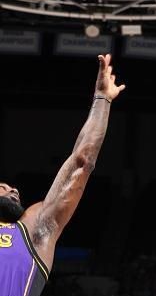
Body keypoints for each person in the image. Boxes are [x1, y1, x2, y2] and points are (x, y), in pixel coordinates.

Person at [0, 53, 125, 296]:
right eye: (2, 187)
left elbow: (81, 162)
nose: (13, 190)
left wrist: (102, 99)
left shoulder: (33, 231)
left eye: (12, 188)